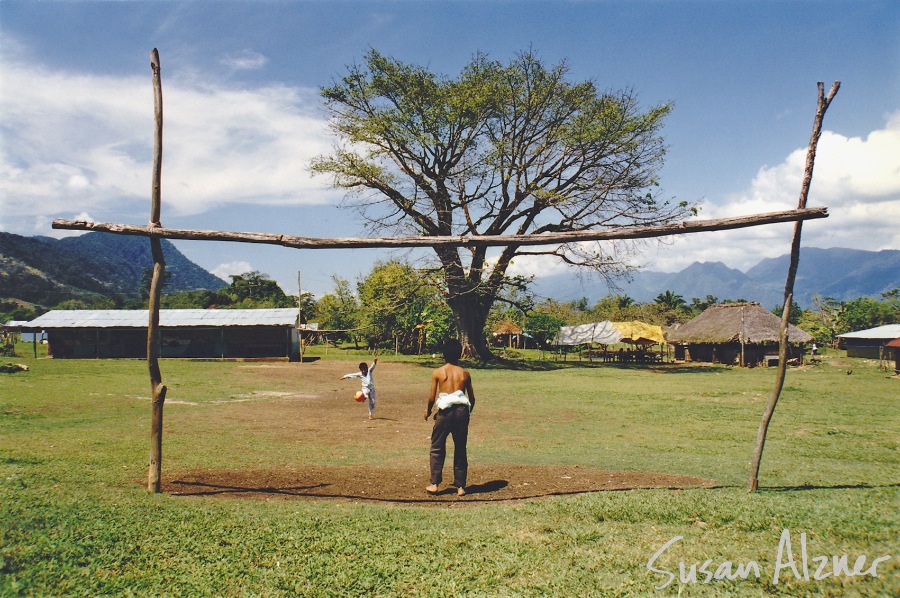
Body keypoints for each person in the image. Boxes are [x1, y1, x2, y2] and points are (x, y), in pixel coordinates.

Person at [424, 339, 475, 496]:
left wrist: (428, 411)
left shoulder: (438, 372)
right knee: (460, 448)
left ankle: (435, 484)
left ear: (443, 354)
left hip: (445, 412)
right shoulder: (465, 373)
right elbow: (472, 399)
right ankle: (460, 487)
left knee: (437, 447)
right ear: (459, 354)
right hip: (461, 411)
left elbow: (432, 398)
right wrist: (467, 414)